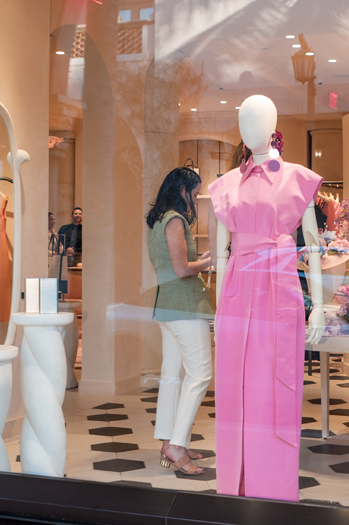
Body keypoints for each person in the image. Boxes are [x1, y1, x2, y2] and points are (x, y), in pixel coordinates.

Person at [145, 167, 215, 476]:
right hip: (184, 307)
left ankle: (170, 442)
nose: (196, 199)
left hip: (167, 307)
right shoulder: (175, 220)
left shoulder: (158, 220)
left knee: (173, 376)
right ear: (182, 190)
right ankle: (176, 445)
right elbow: (182, 269)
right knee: (200, 374)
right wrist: (208, 261)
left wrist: (199, 261)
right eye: (195, 193)